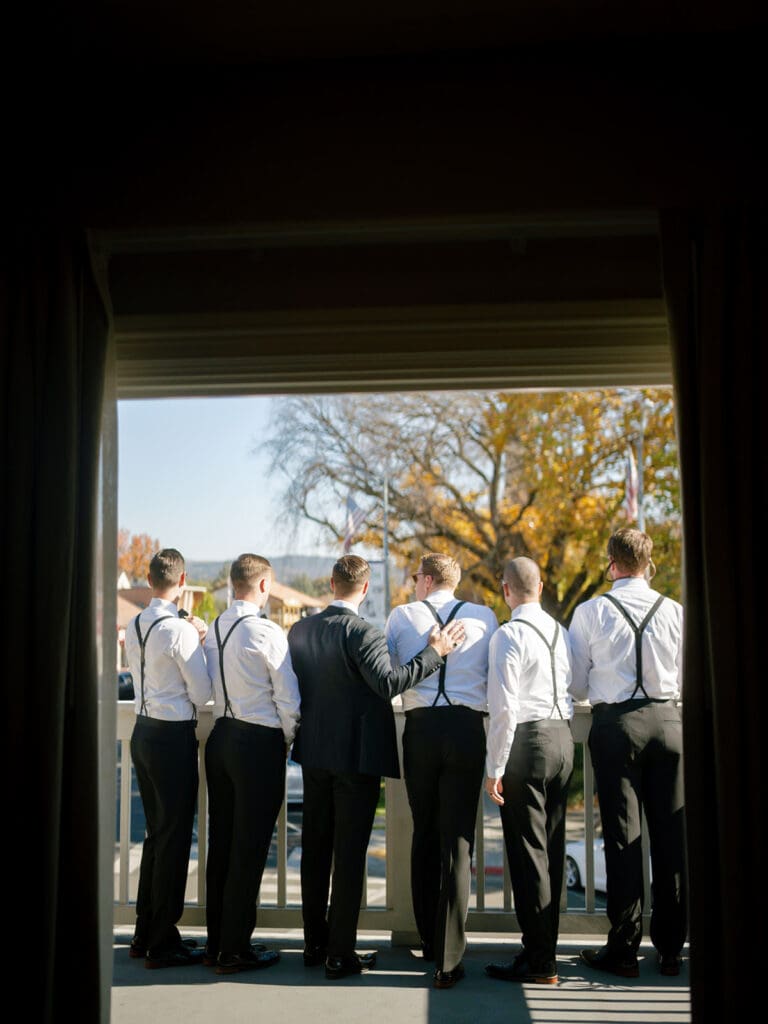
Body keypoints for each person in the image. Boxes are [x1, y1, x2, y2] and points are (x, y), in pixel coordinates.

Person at [287, 555, 465, 981]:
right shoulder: (362, 632)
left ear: (332, 583)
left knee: (315, 851)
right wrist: (435, 652)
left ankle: (314, 944)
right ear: (365, 589)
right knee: (348, 855)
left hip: (313, 753)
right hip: (356, 759)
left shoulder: (301, 629)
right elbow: (389, 684)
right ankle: (339, 954)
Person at [569, 527, 686, 978]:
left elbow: (577, 683)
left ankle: (623, 947)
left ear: (612, 564)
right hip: (668, 722)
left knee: (621, 838)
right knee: (671, 837)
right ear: (649, 563)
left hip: (616, 726)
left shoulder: (592, 612)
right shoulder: (674, 610)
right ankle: (672, 948)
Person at [385, 552, 498, 989]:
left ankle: (430, 940)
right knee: (459, 842)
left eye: (416, 578)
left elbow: (393, 672)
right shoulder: (485, 616)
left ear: (427, 580)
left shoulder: (402, 616)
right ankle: (450, 955)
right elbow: (492, 675)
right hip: (468, 730)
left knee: (424, 832)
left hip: (422, 731)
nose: (414, 585)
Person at [202, 554, 301, 975]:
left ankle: (218, 941)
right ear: (263, 586)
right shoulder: (266, 632)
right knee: (250, 846)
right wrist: (287, 740)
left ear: (231, 585)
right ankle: (235, 948)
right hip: (257, 742)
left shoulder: (215, 628)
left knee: (222, 844)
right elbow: (289, 701)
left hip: (220, 737)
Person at [483, 557, 574, 985]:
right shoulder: (560, 631)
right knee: (551, 852)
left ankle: (539, 961)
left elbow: (504, 709)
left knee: (528, 856)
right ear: (541, 587)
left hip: (528, 745)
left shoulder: (508, 635)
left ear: (505, 591)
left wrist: (494, 767)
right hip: (563, 740)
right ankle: (544, 951)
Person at [123, 548, 212, 968]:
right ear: (183, 580)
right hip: (173, 738)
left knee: (157, 836)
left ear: (150, 578)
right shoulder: (178, 631)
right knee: (174, 839)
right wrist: (201, 639)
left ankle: (145, 932)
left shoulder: (135, 622)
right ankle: (163, 941)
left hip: (143, 732)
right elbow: (203, 693)